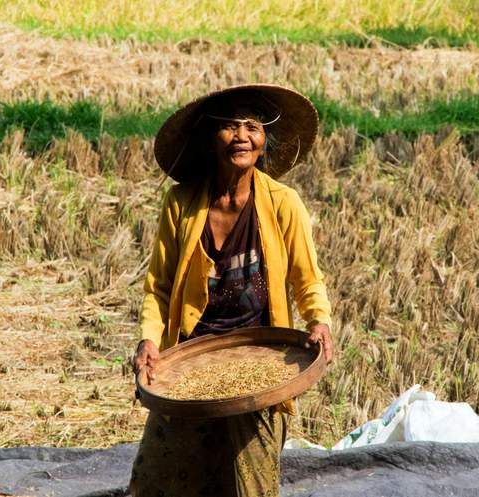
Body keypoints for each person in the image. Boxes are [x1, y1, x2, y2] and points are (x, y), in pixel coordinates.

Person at [129, 84, 334, 497]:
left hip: (260, 357)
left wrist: (319, 321)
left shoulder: (282, 203)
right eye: (229, 127)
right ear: (211, 139)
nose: (241, 136)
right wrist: (150, 340)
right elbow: (159, 287)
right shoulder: (182, 203)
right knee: (155, 485)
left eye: (252, 126)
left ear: (264, 140)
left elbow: (307, 279)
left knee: (250, 485)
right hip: (192, 357)